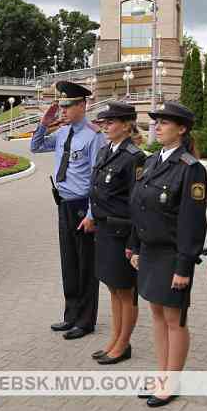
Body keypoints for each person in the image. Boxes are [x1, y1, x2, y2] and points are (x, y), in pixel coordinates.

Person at [129, 101, 207, 407]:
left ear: (182, 129)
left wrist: (184, 265)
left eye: (164, 122)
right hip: (149, 252)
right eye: (155, 122)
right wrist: (134, 246)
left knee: (175, 319)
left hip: (173, 255)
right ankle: (161, 375)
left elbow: (192, 221)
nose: (157, 127)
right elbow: (138, 208)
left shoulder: (191, 168)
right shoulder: (150, 162)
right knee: (157, 315)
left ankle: (171, 381)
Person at [31, 81, 106, 340]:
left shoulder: (95, 136)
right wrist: (44, 122)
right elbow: (36, 147)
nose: (63, 110)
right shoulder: (63, 133)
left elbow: (98, 178)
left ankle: (85, 321)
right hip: (63, 204)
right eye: (61, 105)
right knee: (69, 264)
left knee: (86, 266)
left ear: (82, 105)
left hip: (82, 207)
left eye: (68, 105)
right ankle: (71, 315)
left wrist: (92, 214)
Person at [89, 101, 146, 364]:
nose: (106, 126)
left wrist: (135, 243)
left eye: (111, 122)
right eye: (104, 122)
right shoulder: (105, 151)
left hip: (121, 233)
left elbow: (137, 204)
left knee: (125, 290)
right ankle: (115, 338)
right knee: (112, 288)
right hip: (104, 229)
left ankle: (123, 344)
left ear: (126, 125)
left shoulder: (134, 157)